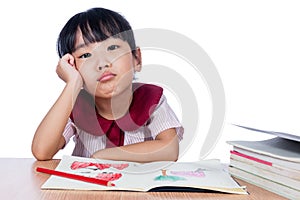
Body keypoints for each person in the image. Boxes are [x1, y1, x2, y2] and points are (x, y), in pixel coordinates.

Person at [31, 7, 184, 162]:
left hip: (135, 185)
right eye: (85, 55)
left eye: (112, 48)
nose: (102, 63)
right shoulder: (75, 105)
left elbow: (169, 149)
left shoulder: (151, 98)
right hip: (86, 186)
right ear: (73, 68)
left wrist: (102, 156)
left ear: (136, 58)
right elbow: (42, 151)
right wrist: (72, 83)